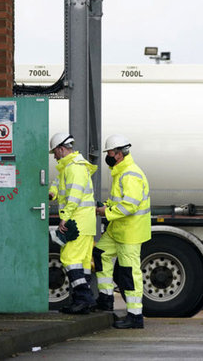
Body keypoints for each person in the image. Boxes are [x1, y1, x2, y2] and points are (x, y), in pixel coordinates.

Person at [94, 134, 151, 329]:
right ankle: (105, 299)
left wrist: (106, 212)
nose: (108, 156)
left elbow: (130, 206)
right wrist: (106, 206)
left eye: (109, 153)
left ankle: (135, 316)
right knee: (100, 253)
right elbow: (119, 201)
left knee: (129, 273)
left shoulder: (130, 174)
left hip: (129, 233)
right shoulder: (120, 172)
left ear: (119, 154)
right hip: (118, 229)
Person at [48, 132, 98, 314]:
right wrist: (52, 193)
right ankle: (82, 302)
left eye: (55, 152)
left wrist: (65, 217)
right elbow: (58, 184)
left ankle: (84, 299)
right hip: (85, 223)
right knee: (82, 263)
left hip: (78, 222)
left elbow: (74, 196)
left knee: (69, 259)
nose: (54, 156)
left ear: (62, 149)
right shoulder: (70, 167)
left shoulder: (74, 168)